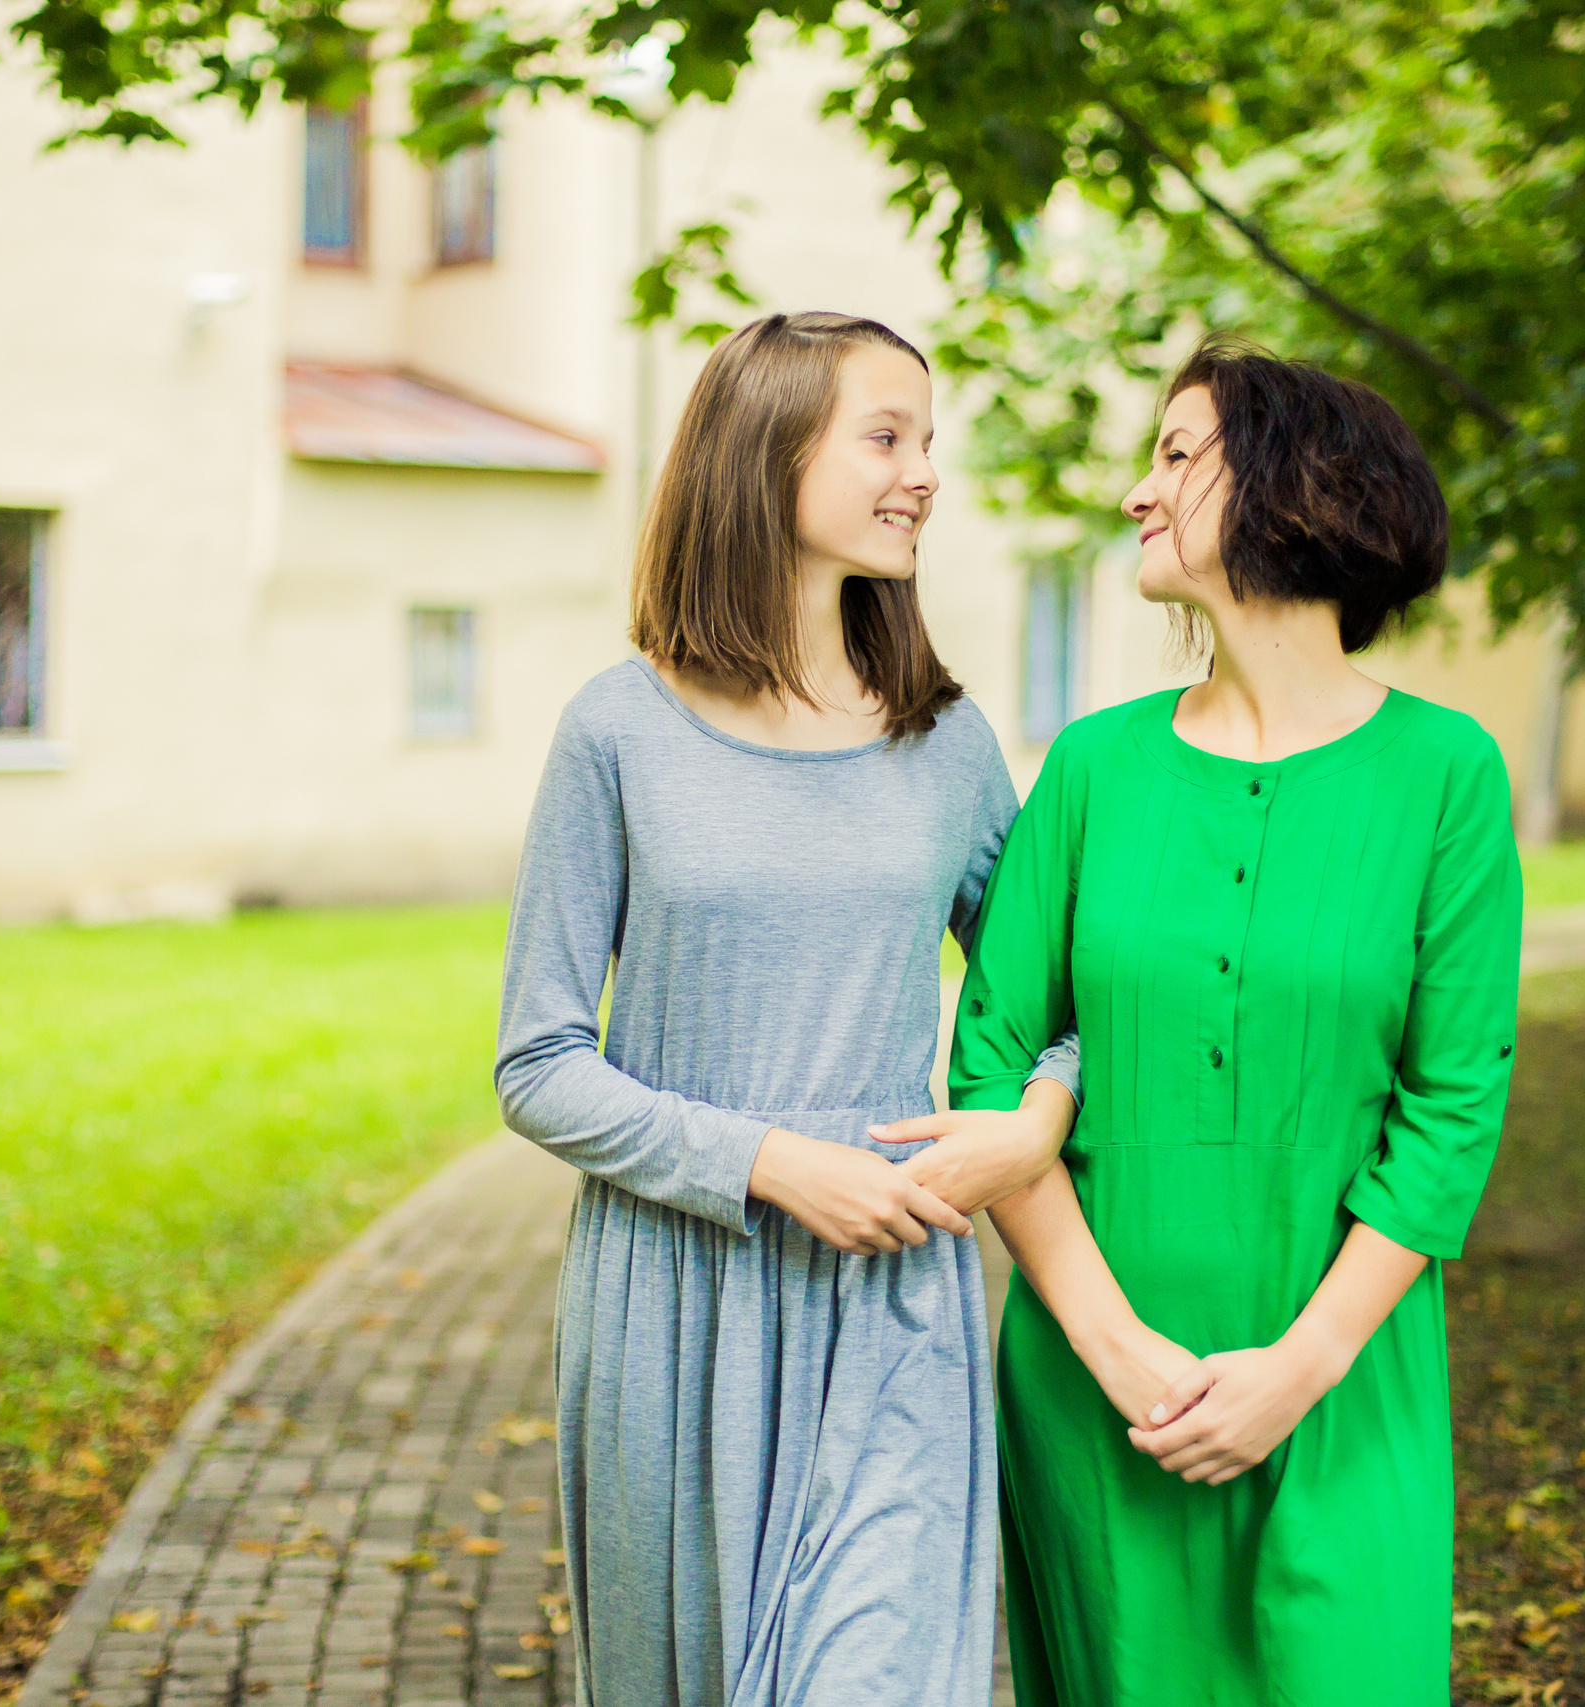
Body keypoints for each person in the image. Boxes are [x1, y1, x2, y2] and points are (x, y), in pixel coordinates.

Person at [495, 310, 1081, 1706]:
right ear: (765, 457)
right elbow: (538, 1061)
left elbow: (1060, 1003)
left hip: (894, 1296)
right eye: (887, 436)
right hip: (674, 1303)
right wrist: (763, 1163)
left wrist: (1033, 1123)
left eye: (927, 441)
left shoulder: (945, 741)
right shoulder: (617, 732)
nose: (923, 472)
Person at [954, 337, 1524, 1705]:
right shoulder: (1092, 768)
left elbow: (1453, 1105)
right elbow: (990, 1062)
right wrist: (1116, 1349)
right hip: (1100, 1401)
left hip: (1342, 1388)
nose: (1140, 494)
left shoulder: (1448, 777)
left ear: (1294, 486)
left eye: (1176, 455)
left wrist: (1299, 1369)